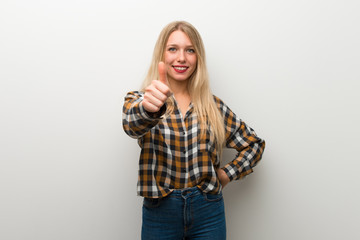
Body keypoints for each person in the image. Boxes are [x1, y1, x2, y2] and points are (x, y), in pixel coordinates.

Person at [122, 21, 265, 240]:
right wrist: (148, 109)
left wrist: (226, 174)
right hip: (160, 212)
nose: (181, 58)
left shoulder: (213, 106)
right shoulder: (141, 100)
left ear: (198, 58)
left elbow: (253, 145)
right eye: (173, 49)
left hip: (208, 211)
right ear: (162, 54)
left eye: (190, 50)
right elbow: (131, 126)